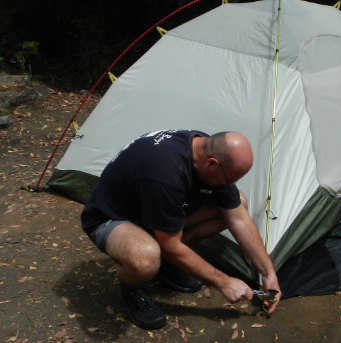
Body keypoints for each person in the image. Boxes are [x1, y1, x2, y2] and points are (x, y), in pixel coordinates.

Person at [81, 129, 281, 330]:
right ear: (212, 163)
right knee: (146, 257)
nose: (230, 185)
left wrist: (268, 273)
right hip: (112, 217)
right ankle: (132, 289)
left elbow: (238, 217)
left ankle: (166, 265)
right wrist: (224, 282)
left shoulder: (204, 147)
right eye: (230, 180)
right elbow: (170, 244)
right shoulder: (166, 172)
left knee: (238, 203)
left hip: (151, 212)